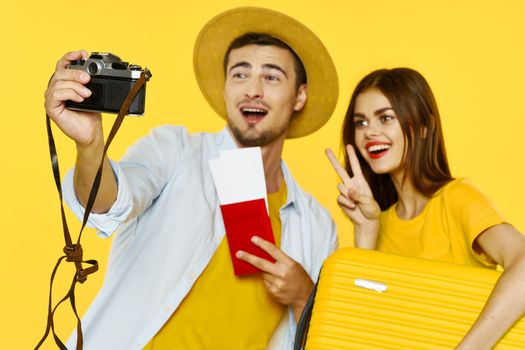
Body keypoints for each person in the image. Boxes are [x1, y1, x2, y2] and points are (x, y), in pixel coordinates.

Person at [44, 7, 339, 350]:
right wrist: (91, 144)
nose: (253, 90)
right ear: (226, 87)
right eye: (240, 75)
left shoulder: (317, 226)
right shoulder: (176, 150)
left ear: (299, 95)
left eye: (272, 77)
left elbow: (326, 341)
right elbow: (109, 202)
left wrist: (306, 296)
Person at [326, 67, 525, 349]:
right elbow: (361, 328)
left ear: (423, 127)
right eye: (360, 123)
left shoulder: (456, 199)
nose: (370, 131)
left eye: (385, 118)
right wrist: (366, 229)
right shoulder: (377, 221)